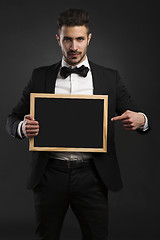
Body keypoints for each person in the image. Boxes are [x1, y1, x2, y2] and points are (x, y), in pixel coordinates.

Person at [6, 8, 150, 240]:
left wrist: (141, 120)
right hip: (49, 174)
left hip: (93, 175)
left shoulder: (109, 78)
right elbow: (12, 119)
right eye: (68, 39)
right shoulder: (39, 76)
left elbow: (140, 115)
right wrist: (23, 128)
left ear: (89, 39)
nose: (74, 47)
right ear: (58, 39)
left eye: (80, 39)